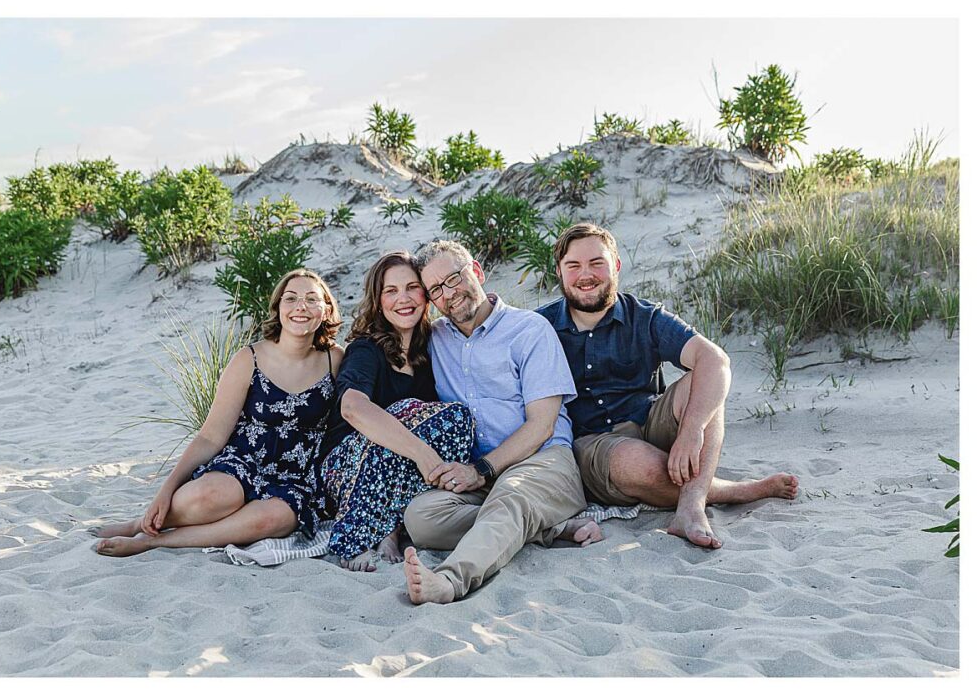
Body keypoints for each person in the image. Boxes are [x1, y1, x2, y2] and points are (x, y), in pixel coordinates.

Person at [535, 223, 799, 550]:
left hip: (650, 423)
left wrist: (692, 430)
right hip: (594, 445)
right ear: (559, 272)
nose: (585, 274)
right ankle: (732, 490)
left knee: (703, 380)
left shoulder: (644, 317)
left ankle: (691, 506)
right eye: (573, 266)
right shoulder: (538, 327)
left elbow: (715, 360)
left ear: (615, 265)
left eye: (597, 263)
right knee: (637, 463)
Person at [401, 240, 601, 605]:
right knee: (421, 517)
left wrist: (481, 470)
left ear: (476, 271)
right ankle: (547, 528)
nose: (449, 293)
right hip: (482, 474)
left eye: (454, 278)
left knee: (511, 495)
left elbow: (541, 425)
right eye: (436, 289)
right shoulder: (436, 340)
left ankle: (449, 581)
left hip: (542, 461)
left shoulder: (530, 330)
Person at [94, 269, 344, 557]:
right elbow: (210, 437)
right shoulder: (249, 358)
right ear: (278, 308)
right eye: (291, 298)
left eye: (312, 299)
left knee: (272, 520)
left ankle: (152, 541)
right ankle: (142, 522)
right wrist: (165, 490)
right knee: (213, 496)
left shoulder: (334, 360)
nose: (301, 306)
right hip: (243, 461)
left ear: (326, 310)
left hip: (297, 477)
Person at [319, 251, 475, 572]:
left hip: (395, 472)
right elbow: (353, 408)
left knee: (457, 418)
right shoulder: (367, 349)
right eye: (391, 291)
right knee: (401, 411)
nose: (402, 299)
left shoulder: (429, 351)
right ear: (378, 301)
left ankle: (391, 524)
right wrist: (420, 452)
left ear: (426, 295)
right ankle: (367, 534)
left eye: (411, 288)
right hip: (345, 468)